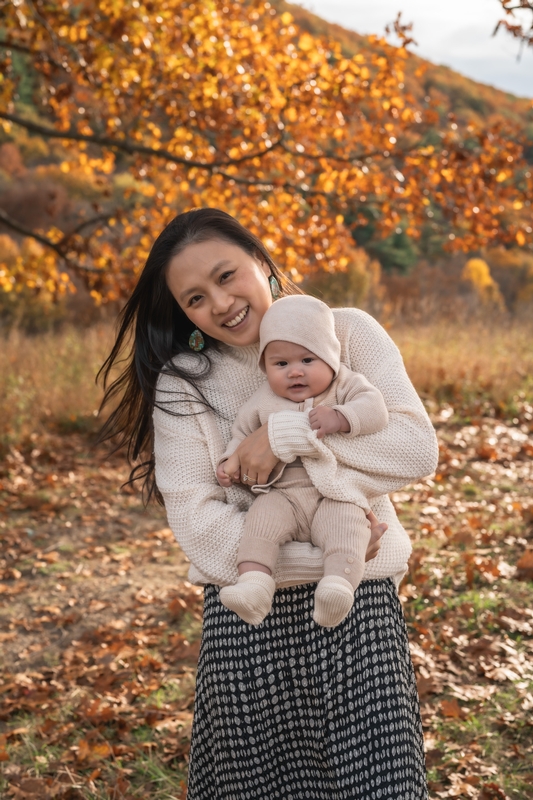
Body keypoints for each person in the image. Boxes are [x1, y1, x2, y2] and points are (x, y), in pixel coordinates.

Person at [99, 207, 438, 799]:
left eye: (228, 275)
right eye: (195, 298)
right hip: (247, 627)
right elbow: (198, 523)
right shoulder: (185, 383)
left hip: (358, 616)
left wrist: (282, 438)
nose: (220, 303)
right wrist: (333, 552)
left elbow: (413, 449)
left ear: (262, 261)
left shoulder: (350, 333)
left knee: (380, 786)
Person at [216, 294, 391, 628]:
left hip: (334, 493)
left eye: (308, 360)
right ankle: (254, 586)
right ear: (266, 368)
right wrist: (230, 462)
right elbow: (241, 435)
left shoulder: (344, 385)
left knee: (348, 529)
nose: (294, 372)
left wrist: (341, 416)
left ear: (330, 357)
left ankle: (337, 589)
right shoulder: (261, 400)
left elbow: (376, 409)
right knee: (260, 523)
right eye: (280, 364)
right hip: (283, 495)